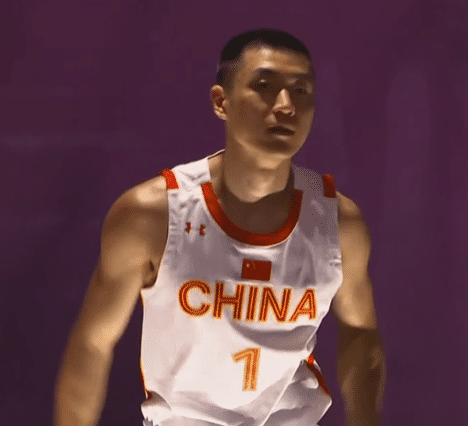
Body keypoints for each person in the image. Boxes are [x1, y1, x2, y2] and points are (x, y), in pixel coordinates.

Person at [54, 28, 386, 426]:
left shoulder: (339, 223)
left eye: (301, 90)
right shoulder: (151, 214)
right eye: (264, 86)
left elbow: (360, 332)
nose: (286, 105)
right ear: (221, 101)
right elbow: (93, 343)